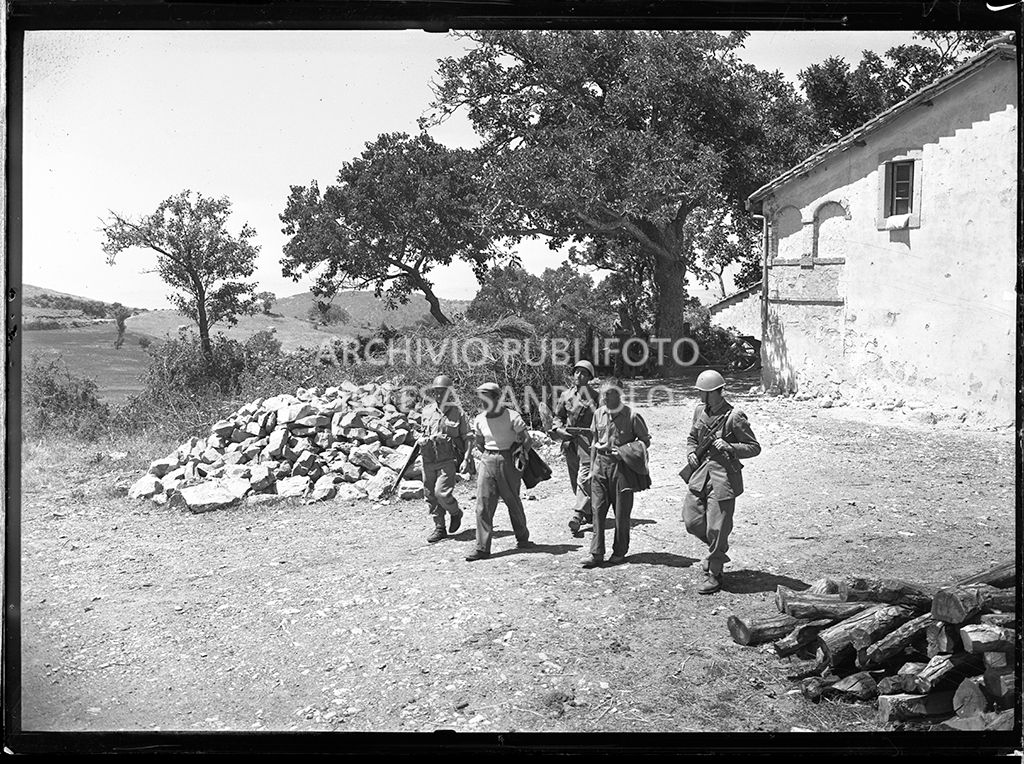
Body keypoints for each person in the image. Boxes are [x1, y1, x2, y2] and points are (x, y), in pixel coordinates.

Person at [681, 369, 761, 594]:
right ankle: (718, 551)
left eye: (703, 393)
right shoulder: (699, 412)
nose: (700, 396)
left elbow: (754, 447)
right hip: (700, 476)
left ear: (715, 392)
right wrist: (691, 453)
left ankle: (715, 573)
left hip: (723, 479)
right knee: (692, 521)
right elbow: (691, 438)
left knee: (718, 527)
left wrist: (730, 447)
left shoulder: (734, 416)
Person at [582, 379, 651, 569]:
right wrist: (591, 470)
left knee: (621, 513)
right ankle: (596, 553)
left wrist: (623, 451)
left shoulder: (632, 415)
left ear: (620, 393)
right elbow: (594, 441)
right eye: (603, 393)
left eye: (610, 393)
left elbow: (645, 441)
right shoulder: (598, 414)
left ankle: (620, 551)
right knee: (597, 510)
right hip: (600, 467)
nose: (604, 397)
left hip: (622, 469)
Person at [465, 382, 535, 562]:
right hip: (487, 459)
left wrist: (519, 455)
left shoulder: (512, 416)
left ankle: (523, 538)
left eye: (486, 397)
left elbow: (527, 440)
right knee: (483, 503)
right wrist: (489, 455)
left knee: (512, 500)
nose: (482, 402)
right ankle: (482, 548)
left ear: (497, 398)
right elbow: (479, 443)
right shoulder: (480, 419)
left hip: (508, 460)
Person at [418, 374, 474, 544]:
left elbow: (468, 438)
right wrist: (420, 439)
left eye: (442, 392)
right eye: (435, 392)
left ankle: (456, 512)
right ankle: (439, 528)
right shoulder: (427, 411)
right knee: (430, 495)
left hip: (447, 460)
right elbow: (421, 432)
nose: (438, 395)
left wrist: (466, 459)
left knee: (441, 493)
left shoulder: (458, 412)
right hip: (428, 460)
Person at [549, 360, 599, 537]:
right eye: (577, 372)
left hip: (588, 442)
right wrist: (559, 430)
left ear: (590, 377)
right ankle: (589, 511)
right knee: (574, 478)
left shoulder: (596, 397)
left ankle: (577, 515)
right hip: (570, 442)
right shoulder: (566, 395)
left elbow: (602, 419)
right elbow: (558, 417)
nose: (579, 376)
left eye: (584, 373)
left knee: (584, 477)